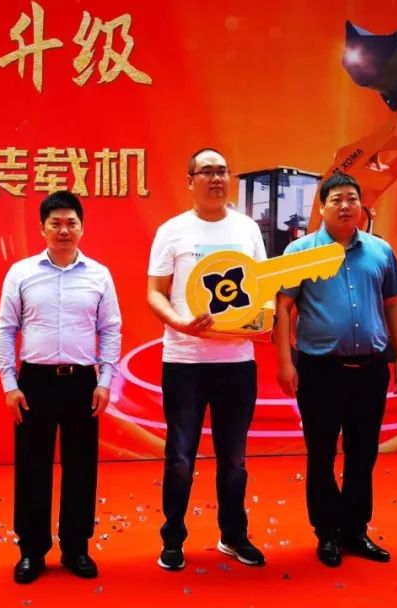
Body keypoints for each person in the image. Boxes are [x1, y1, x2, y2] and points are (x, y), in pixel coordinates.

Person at [273, 171, 397, 567]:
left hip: (370, 369)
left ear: (361, 206)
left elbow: (394, 304)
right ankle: (326, 532)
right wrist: (285, 362)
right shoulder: (300, 252)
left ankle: (355, 530)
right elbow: (283, 306)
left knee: (362, 453)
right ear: (322, 208)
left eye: (352, 199)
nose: (346, 206)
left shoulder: (380, 251)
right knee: (321, 453)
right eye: (336, 200)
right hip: (320, 370)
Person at [147, 148, 267, 570]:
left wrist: (261, 323)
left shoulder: (247, 229)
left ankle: (233, 535)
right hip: (185, 361)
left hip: (237, 361)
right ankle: (172, 539)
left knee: (234, 457)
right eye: (206, 172)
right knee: (180, 456)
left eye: (222, 171)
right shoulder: (172, 231)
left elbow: (261, 288)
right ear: (190, 181)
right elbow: (154, 292)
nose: (216, 179)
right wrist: (180, 323)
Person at [0, 190, 122, 583]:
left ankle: (75, 548)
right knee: (32, 466)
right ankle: (31, 551)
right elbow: (6, 329)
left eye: (71, 223)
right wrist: (9, 383)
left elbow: (110, 329)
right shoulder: (21, 273)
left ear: (82, 228)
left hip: (82, 382)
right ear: (42, 228)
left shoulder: (99, 274)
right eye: (56, 223)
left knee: (81, 466)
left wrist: (105, 381)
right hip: (34, 382)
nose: (64, 230)